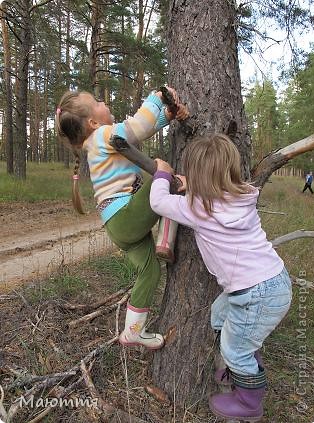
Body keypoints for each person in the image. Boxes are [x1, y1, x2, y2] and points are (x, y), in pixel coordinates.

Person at [149, 134, 292, 422]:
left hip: (254, 293)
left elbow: (159, 202)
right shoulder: (243, 196)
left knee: (235, 349)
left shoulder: (197, 209)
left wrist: (163, 174)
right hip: (273, 281)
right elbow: (213, 192)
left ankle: (249, 403)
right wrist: (195, 185)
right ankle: (242, 367)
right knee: (219, 315)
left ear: (199, 178)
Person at [55, 88, 188, 350]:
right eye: (97, 102)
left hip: (117, 225)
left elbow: (136, 133)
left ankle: (133, 332)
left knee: (149, 272)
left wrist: (167, 117)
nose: (104, 101)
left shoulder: (98, 142)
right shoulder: (104, 134)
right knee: (163, 178)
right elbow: (139, 127)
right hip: (126, 214)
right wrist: (156, 98)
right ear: (93, 123)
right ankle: (167, 232)